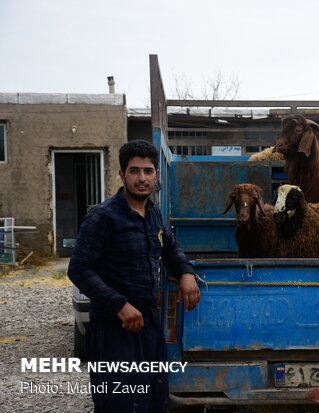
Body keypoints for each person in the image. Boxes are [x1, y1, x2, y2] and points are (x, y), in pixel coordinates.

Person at [68, 140, 201, 413]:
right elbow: (79, 269)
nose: (142, 178)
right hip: (113, 333)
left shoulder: (153, 214)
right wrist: (119, 305)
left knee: (154, 404)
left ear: (156, 175)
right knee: (120, 406)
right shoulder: (102, 217)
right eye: (134, 171)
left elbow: (171, 248)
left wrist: (186, 273)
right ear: (122, 174)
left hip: (149, 329)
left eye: (148, 171)